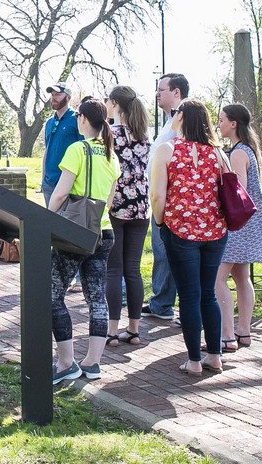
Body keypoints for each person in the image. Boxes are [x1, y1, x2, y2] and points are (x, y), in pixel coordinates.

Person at [150, 98, 227, 375]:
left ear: (180, 117)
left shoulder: (166, 150)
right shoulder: (218, 154)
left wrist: (160, 223)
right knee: (208, 294)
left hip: (180, 231)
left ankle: (194, 360)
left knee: (189, 295)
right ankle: (215, 356)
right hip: (215, 231)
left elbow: (158, 195)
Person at [48, 98, 120, 384]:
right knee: (96, 298)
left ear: (82, 119)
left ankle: (66, 362)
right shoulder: (111, 155)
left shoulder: (77, 149)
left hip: (74, 233)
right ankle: (93, 363)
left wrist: (45, 219)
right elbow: (110, 203)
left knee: (52, 295)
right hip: (103, 233)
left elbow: (60, 194)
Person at [215, 103, 262, 351]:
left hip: (237, 225)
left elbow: (236, 190)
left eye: (221, 120)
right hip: (248, 224)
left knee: (217, 279)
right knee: (242, 277)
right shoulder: (247, 150)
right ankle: (244, 331)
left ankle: (228, 334)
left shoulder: (238, 153)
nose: (218, 124)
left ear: (233, 124)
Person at [104, 85, 151, 347]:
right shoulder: (144, 135)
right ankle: (133, 329)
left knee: (114, 268)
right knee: (132, 269)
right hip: (141, 207)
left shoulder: (110, 134)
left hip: (116, 206)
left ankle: (111, 330)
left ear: (114, 103)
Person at [143, 72, 189, 321]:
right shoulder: (168, 120)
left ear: (176, 93)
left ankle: (182, 307)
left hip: (174, 199)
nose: (157, 94)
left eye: (161, 90)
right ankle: (161, 303)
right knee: (163, 253)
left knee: (175, 254)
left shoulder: (185, 120)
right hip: (161, 195)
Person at [41, 82, 80, 207]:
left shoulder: (77, 119)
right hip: (49, 183)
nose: (53, 98)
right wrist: (43, 178)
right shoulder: (49, 122)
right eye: (52, 94)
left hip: (68, 183)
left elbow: (83, 150)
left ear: (68, 97)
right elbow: (47, 150)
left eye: (58, 94)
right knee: (51, 224)